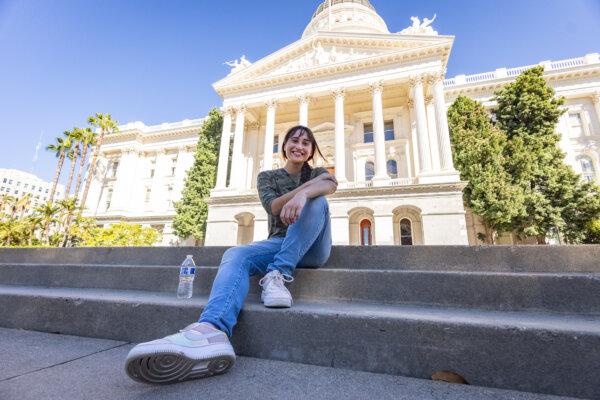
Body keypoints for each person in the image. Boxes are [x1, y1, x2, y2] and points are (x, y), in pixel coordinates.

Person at [125, 125, 338, 384]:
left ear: (311, 150)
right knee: (236, 254)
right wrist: (302, 191)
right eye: (294, 141)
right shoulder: (268, 177)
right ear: (284, 146)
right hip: (279, 243)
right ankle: (212, 329)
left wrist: (307, 193)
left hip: (313, 246)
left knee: (318, 200)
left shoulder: (317, 173)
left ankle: (278, 273)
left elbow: (329, 184)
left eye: (306, 143)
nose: (299, 146)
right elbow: (273, 207)